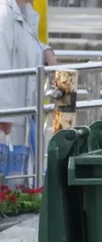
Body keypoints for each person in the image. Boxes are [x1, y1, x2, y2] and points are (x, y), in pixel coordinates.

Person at [0, 0, 57, 145]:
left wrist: (45, 51)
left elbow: (26, 43)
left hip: (21, 116)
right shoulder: (4, 14)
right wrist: (4, 113)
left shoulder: (25, 12)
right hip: (8, 122)